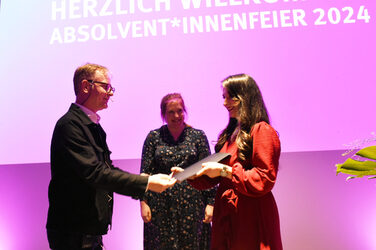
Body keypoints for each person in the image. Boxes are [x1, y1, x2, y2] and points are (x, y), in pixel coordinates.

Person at [46, 63, 176, 250]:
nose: (111, 93)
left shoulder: (91, 125)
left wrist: (143, 179)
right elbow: (96, 173)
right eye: (105, 87)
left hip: (87, 229)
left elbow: (105, 169)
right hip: (73, 230)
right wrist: (145, 184)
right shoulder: (70, 126)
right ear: (85, 86)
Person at [176, 74, 283, 249]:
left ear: (245, 97)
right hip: (229, 214)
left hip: (251, 215)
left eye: (229, 97)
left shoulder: (262, 130)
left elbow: (264, 178)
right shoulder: (232, 134)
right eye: (223, 97)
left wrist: (226, 171)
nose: (225, 103)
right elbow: (217, 176)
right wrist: (190, 174)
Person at [140, 93, 216, 250]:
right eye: (171, 112)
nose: (176, 116)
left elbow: (208, 173)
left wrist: (210, 204)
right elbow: (145, 173)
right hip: (160, 205)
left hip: (193, 205)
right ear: (163, 114)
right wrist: (143, 203)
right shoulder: (153, 137)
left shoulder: (198, 136)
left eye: (180, 111)